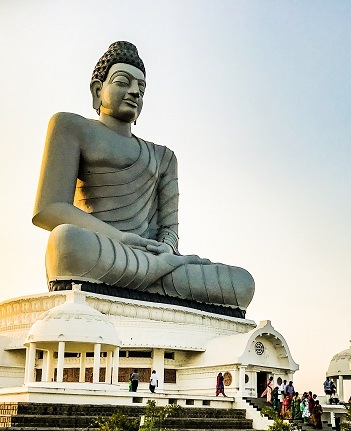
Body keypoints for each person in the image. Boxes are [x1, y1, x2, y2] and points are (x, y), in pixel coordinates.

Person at [32, 41, 255, 312]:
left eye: (141, 87)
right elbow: (49, 209)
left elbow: (169, 230)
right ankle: (152, 276)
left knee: (242, 282)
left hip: (150, 260)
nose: (134, 91)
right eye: (123, 81)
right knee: (66, 242)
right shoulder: (71, 126)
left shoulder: (163, 156)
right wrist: (121, 239)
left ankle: (150, 276)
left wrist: (166, 252)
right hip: (104, 250)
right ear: (97, 90)